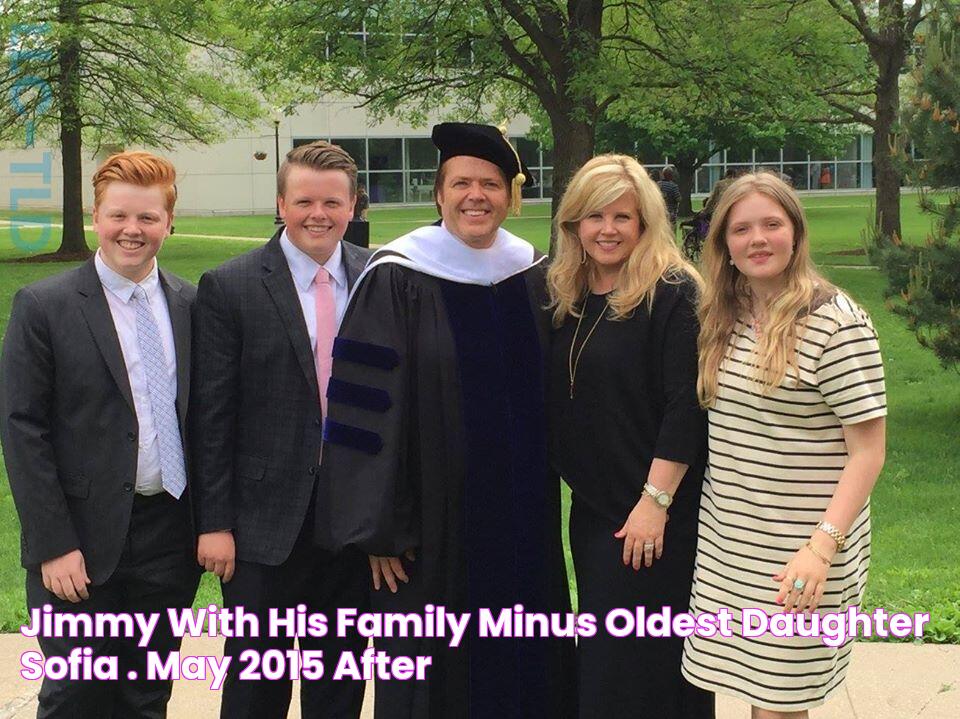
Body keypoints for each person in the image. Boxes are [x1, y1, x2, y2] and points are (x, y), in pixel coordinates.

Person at [321, 122, 576, 719]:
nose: (476, 196)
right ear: (438, 194)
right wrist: (378, 530)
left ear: (511, 197)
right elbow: (361, 412)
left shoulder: (533, 274)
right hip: (428, 530)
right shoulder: (396, 276)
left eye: (490, 184)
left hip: (522, 519)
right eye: (461, 182)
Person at [0, 151, 201, 718]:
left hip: (168, 534)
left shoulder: (191, 303)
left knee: (146, 695)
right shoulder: (45, 305)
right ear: (96, 216)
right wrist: (53, 544)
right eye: (118, 216)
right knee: (75, 695)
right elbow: (22, 430)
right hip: (80, 540)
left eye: (147, 218)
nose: (132, 231)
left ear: (169, 222)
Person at [681, 172, 887, 716]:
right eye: (741, 228)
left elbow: (868, 452)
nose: (758, 239)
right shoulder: (723, 315)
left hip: (804, 549)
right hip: (732, 545)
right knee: (751, 690)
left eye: (772, 224)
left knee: (779, 700)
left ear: (795, 232)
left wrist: (822, 547)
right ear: (723, 242)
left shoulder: (836, 324)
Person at [190, 141, 373, 719]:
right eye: (303, 201)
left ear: (353, 206)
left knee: (339, 674)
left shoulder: (381, 279)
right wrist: (214, 522)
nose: (318, 214)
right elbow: (212, 416)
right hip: (260, 525)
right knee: (256, 678)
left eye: (332, 202)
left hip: (351, 519)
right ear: (280, 204)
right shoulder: (231, 285)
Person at [546, 154, 715, 719]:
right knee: (606, 666)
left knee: (643, 672)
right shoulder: (567, 291)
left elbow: (685, 408)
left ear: (645, 222)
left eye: (623, 217)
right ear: (574, 223)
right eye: (594, 217)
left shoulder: (671, 292)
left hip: (653, 517)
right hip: (595, 511)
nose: (608, 230)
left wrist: (656, 502)